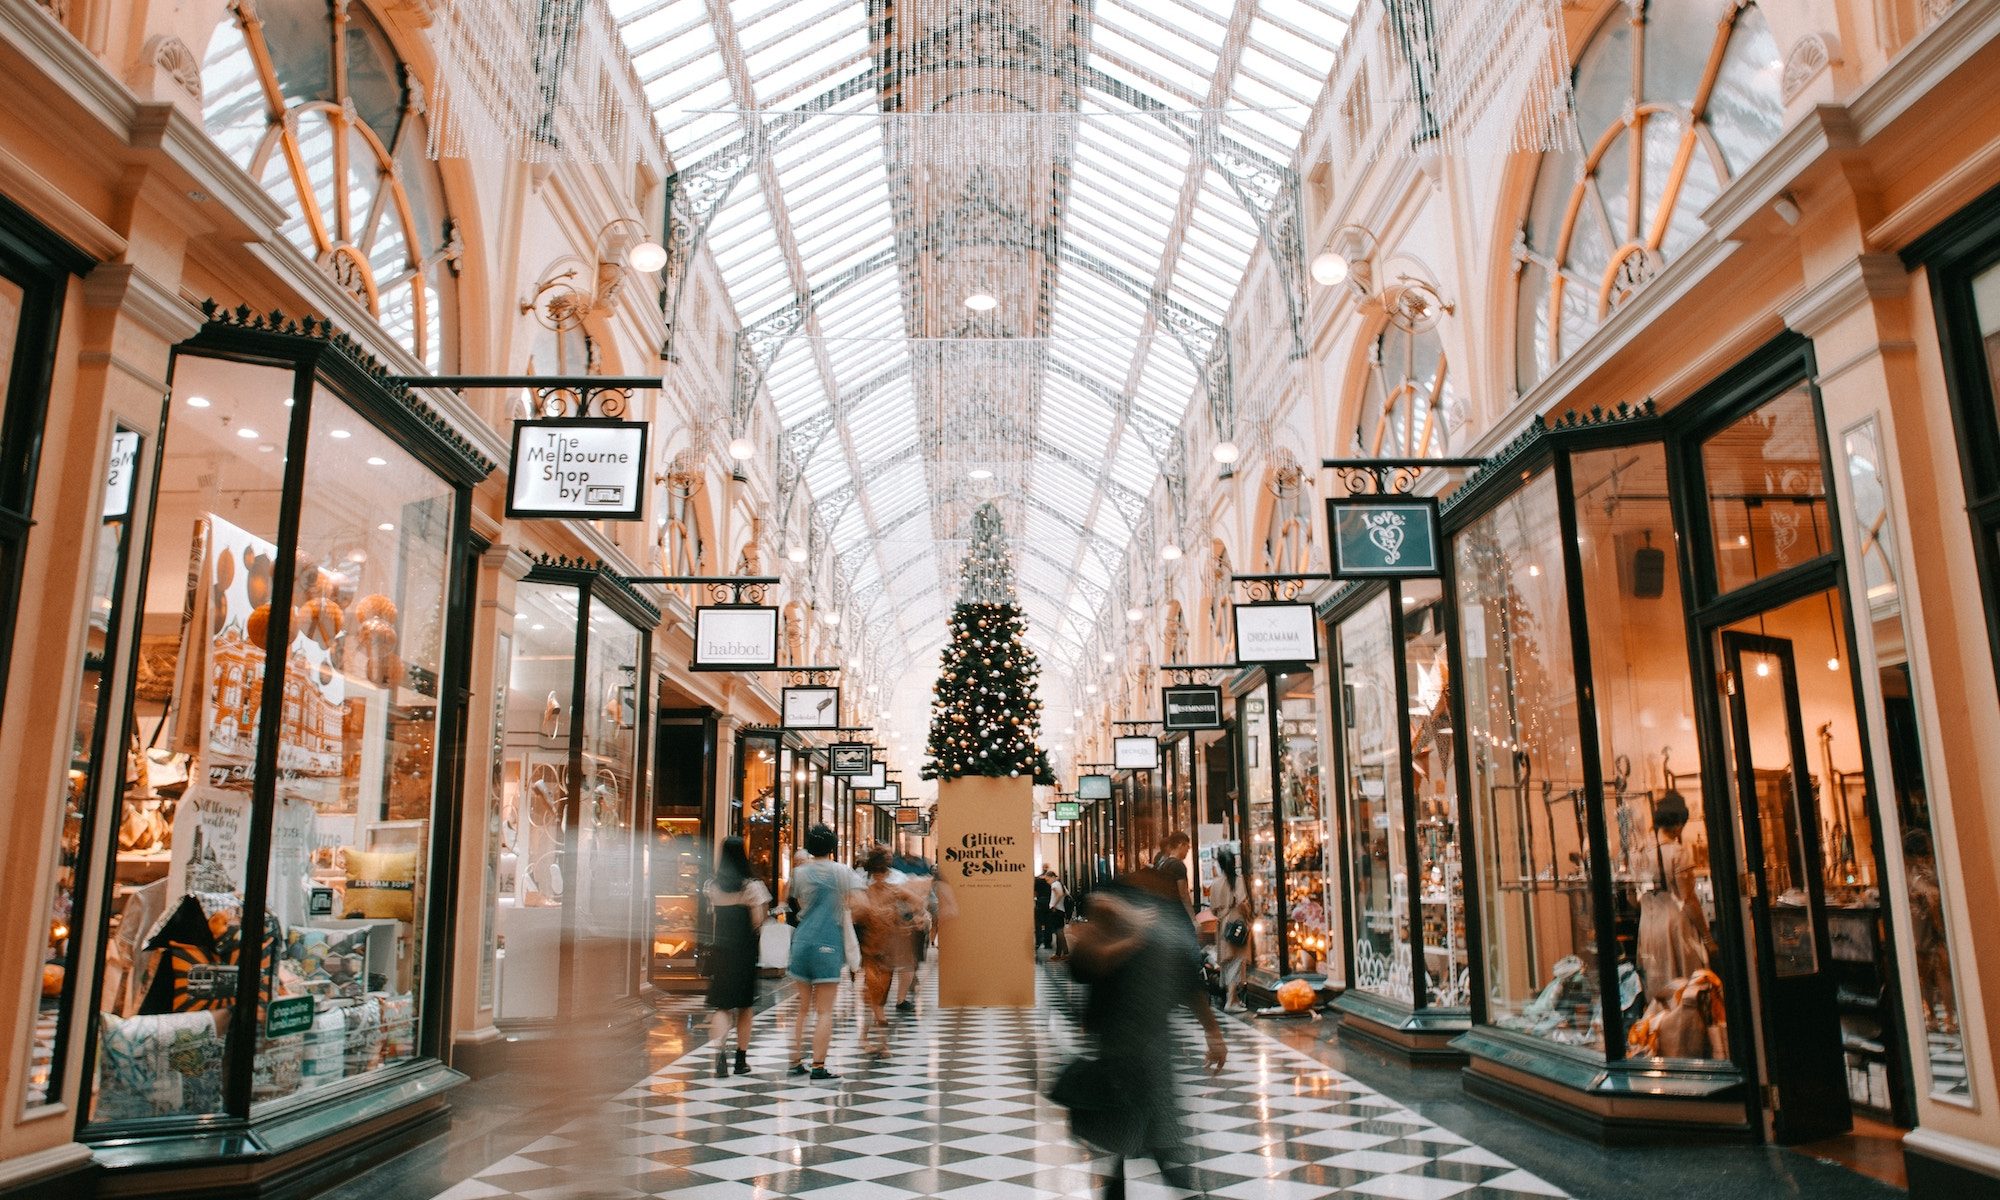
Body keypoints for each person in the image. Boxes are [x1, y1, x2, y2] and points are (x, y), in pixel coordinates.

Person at [1060, 878, 1227, 1200]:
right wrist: (1132, 934)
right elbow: (1085, 964)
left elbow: (1189, 984)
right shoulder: (1110, 937)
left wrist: (1213, 1033)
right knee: (1129, 1144)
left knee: (1153, 1142)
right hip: (1119, 1053)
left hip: (1147, 1054)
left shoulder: (1156, 935)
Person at [851, 845, 929, 1058]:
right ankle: (872, 1039)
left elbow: (855, 916)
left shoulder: (865, 892)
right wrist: (912, 919)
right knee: (876, 997)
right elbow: (918, 901)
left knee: (874, 997)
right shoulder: (894, 890)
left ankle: (875, 1040)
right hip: (886, 950)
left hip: (872, 950)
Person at [786, 825, 851, 1079]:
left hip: (802, 941)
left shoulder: (798, 873)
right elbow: (858, 902)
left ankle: (794, 1061)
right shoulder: (842, 873)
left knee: (801, 1009)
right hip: (828, 942)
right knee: (824, 1010)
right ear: (832, 847)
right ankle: (818, 1066)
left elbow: (791, 899)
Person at [703, 837, 767, 1077]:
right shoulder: (751, 887)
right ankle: (741, 1059)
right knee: (744, 1006)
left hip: (722, 950)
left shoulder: (713, 886)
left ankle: (719, 1054)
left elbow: (714, 917)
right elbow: (757, 920)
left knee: (722, 1006)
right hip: (744, 952)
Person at [1209, 844, 1251, 1012]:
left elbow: (1213, 909)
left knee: (1226, 961)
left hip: (1222, 925)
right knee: (1237, 960)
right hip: (1236, 922)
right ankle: (1231, 1001)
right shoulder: (1237, 880)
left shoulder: (1215, 883)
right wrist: (1249, 917)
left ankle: (1232, 997)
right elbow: (1242, 903)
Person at [1154, 831, 1193, 916]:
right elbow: (1183, 894)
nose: (1188, 850)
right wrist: (1192, 918)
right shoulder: (1178, 865)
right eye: (1187, 846)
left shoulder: (1163, 864)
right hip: (1175, 913)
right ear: (1180, 844)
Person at [1045, 868, 1070, 960]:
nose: (1047, 882)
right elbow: (1066, 894)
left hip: (1057, 911)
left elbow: (1059, 894)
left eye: (1047, 880)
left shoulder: (1054, 885)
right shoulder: (1060, 884)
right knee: (1059, 932)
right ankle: (1059, 953)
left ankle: (1066, 952)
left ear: (1052, 877)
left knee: (1059, 932)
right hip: (1061, 911)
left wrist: (1054, 905)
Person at [1034, 867, 1054, 951]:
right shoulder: (1050, 883)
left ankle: (1038, 942)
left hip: (1040, 902)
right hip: (1048, 903)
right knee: (1048, 924)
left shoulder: (1037, 881)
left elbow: (1035, 893)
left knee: (1038, 924)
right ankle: (1048, 943)